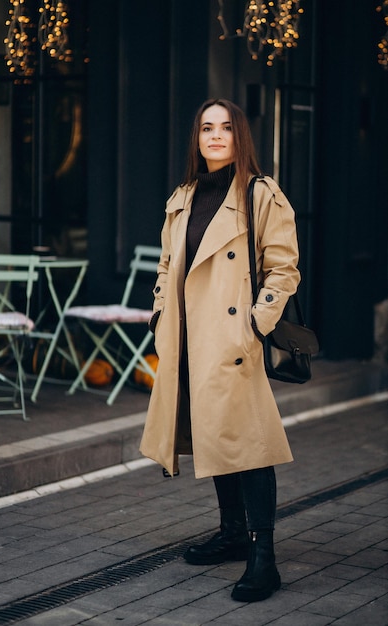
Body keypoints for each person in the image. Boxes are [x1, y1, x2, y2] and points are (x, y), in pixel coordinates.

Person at [139, 98, 300, 603]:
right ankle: (232, 533)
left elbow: (284, 267)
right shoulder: (184, 195)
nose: (215, 135)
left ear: (240, 136)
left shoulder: (259, 193)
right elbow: (168, 265)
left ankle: (263, 557)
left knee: (249, 445)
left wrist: (257, 322)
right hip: (189, 338)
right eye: (206, 127)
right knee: (216, 436)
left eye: (225, 127)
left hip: (232, 340)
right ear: (197, 137)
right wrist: (161, 312)